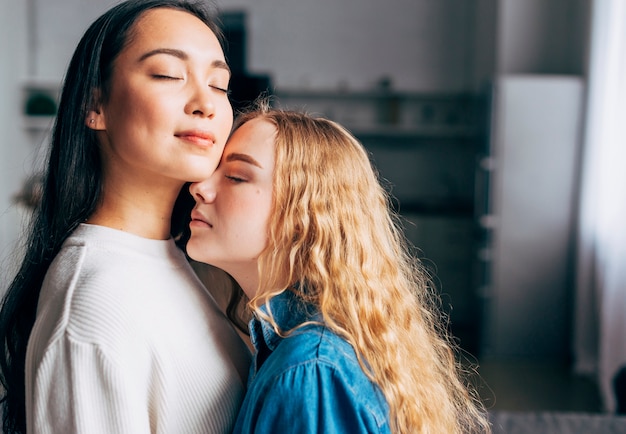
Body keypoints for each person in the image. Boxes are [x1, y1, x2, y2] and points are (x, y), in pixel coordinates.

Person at [0, 1, 251, 433]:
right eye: (169, 75)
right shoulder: (91, 308)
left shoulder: (183, 257)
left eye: (219, 84)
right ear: (94, 104)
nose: (205, 104)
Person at [186, 100, 492, 433]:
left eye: (235, 176)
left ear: (304, 216)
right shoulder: (302, 347)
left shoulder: (310, 371)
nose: (199, 187)